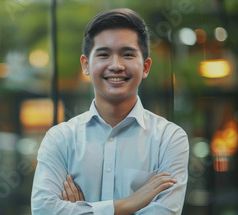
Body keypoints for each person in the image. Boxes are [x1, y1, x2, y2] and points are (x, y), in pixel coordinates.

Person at [31, 8, 189, 215]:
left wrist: (79, 210)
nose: (116, 65)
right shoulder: (60, 138)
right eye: (104, 54)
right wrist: (128, 204)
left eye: (127, 54)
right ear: (86, 65)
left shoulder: (169, 139)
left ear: (146, 67)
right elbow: (43, 209)